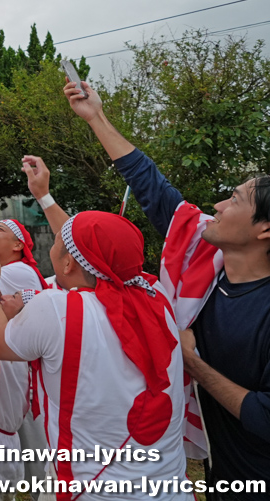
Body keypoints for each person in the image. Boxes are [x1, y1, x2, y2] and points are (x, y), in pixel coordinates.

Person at [63, 79, 270, 497]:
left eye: (233, 199)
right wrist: (96, 117)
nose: (218, 207)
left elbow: (265, 416)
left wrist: (189, 361)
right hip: (220, 468)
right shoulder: (204, 263)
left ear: (264, 229)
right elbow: (150, 184)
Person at [0, 208, 190, 500]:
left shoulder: (57, 309)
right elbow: (95, 255)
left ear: (68, 264)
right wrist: (43, 196)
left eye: (55, 243)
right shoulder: (155, 293)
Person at [0, 218, 48, 499]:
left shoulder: (18, 271)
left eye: (1, 230)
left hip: (16, 370)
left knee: (17, 442)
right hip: (20, 369)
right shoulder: (13, 271)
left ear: (19, 245)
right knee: (30, 448)